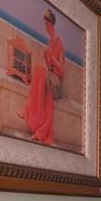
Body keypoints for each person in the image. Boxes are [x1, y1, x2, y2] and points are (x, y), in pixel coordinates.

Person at [19, 8, 65, 146]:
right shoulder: (50, 42)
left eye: (46, 24)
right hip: (48, 77)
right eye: (44, 24)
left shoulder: (58, 42)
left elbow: (61, 69)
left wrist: (51, 58)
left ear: (51, 24)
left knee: (47, 93)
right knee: (38, 71)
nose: (45, 27)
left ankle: (40, 128)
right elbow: (43, 63)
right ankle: (32, 114)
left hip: (55, 81)